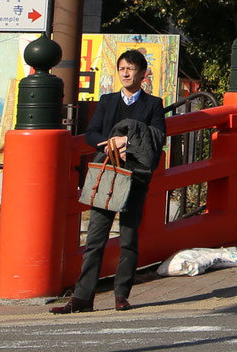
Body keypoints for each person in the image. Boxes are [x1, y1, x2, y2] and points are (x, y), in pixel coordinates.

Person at [50, 50, 166, 314]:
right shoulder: (107, 101)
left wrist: (129, 142)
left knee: (128, 237)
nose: (126, 73)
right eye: (122, 68)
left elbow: (159, 137)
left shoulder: (153, 104)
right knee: (95, 238)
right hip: (106, 173)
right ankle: (82, 298)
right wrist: (109, 143)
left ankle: (121, 294)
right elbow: (91, 133)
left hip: (135, 176)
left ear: (143, 73)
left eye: (131, 68)